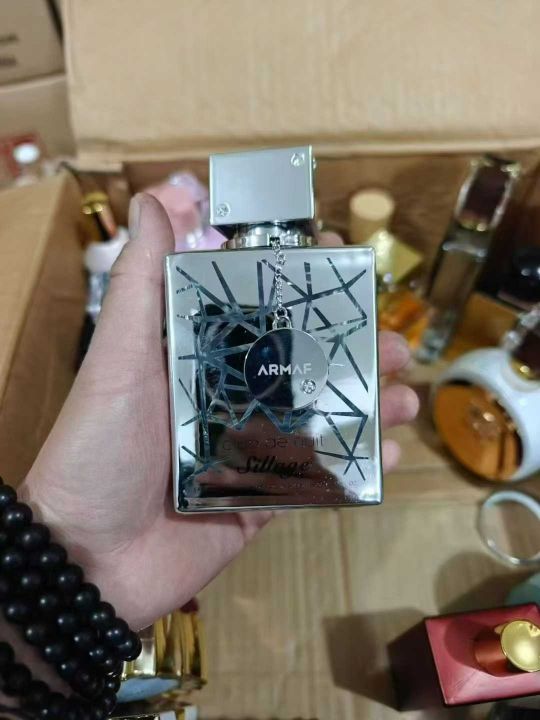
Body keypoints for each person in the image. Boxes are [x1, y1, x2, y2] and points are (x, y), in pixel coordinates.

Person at [17, 193, 419, 631]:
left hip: (238, 472)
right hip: (226, 476)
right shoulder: (216, 280)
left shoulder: (212, 277)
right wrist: (82, 545)